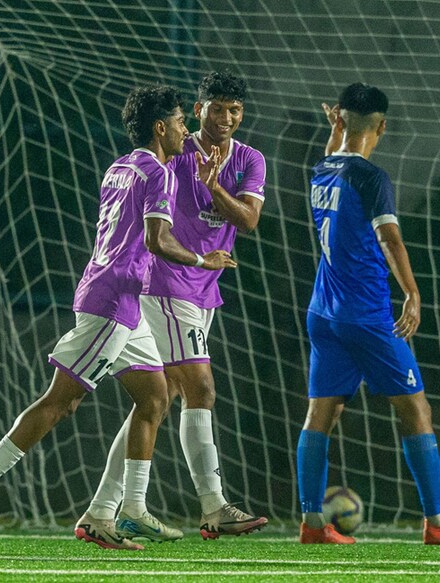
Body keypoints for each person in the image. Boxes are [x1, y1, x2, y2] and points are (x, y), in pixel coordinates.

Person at [0, 85, 237, 550]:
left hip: (120, 298)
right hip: (113, 303)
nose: (188, 129)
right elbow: (156, 240)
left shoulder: (119, 167)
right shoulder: (159, 173)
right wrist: (204, 260)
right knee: (62, 402)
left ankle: (130, 511)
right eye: (182, 121)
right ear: (159, 127)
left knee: (154, 397)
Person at [297, 82, 440, 545]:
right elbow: (391, 239)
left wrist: (335, 131)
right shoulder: (372, 178)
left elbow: (334, 155)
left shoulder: (322, 168)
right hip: (366, 314)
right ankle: (439, 524)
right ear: (382, 126)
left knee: (320, 415)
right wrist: (412, 293)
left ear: (339, 119)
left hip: (324, 311)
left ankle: (312, 524)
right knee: (416, 410)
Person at [82, 71, 268, 542]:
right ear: (200, 109)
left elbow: (247, 220)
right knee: (200, 388)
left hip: (205, 287)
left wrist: (215, 187)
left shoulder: (249, 159)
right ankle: (213, 505)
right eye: (217, 108)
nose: (226, 118)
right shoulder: (177, 151)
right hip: (165, 284)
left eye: (235, 110)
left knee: (154, 401)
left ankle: (101, 511)